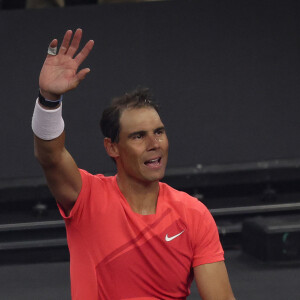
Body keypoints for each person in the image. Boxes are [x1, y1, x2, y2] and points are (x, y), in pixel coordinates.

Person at [32, 29, 235, 300]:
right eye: (139, 136)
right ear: (112, 147)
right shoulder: (87, 198)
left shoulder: (193, 215)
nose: (154, 143)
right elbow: (51, 156)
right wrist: (49, 100)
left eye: (159, 132)